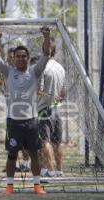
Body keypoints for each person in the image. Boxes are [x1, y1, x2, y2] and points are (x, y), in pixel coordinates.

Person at [0, 27, 51, 195]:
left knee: (34, 154)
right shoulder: (8, 72)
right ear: (13, 58)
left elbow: (46, 54)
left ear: (28, 58)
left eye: (24, 56)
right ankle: (9, 186)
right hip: (13, 122)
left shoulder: (35, 71)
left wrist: (46, 36)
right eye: (18, 56)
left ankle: (37, 186)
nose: (21, 59)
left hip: (31, 121)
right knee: (12, 155)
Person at [37, 38, 65, 177]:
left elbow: (39, 90)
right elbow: (62, 93)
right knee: (57, 141)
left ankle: (49, 170)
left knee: (44, 141)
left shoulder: (42, 67)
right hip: (57, 109)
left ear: (45, 49)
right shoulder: (60, 68)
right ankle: (59, 170)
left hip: (44, 108)